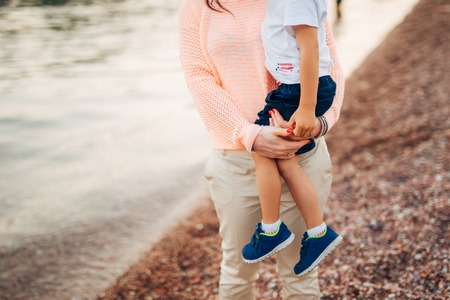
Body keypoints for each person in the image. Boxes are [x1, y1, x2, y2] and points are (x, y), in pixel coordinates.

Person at [179, 0, 345, 298]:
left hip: (302, 155)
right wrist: (250, 135)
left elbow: (327, 62)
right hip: (236, 162)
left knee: (301, 272)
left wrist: (321, 123)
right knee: (238, 269)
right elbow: (198, 78)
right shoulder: (197, 7)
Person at [241, 0, 342, 278]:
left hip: (300, 90)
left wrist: (307, 107)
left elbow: (310, 48)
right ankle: (317, 232)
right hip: (297, 88)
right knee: (285, 160)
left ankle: (271, 229)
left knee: (260, 148)